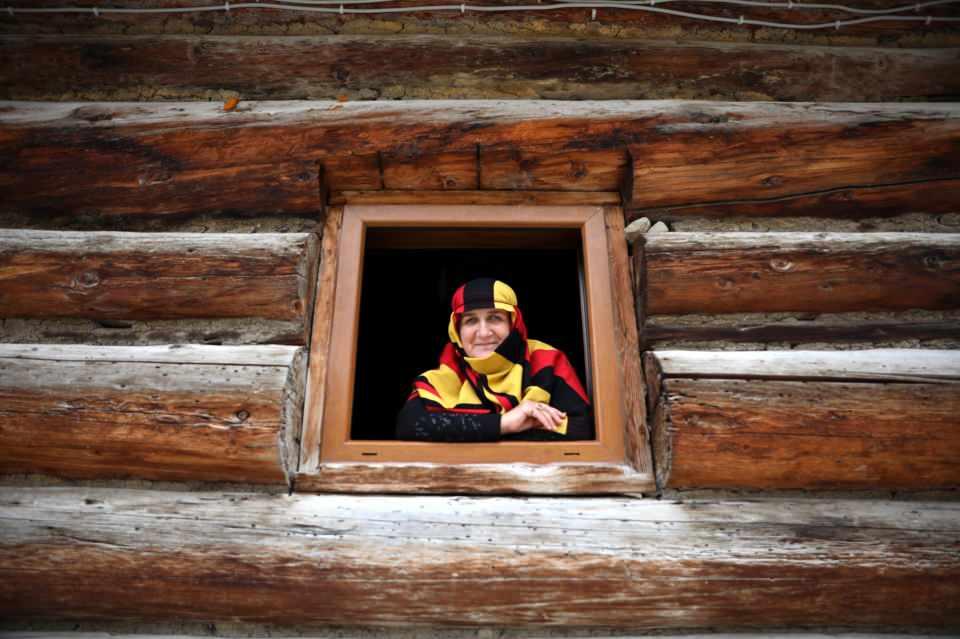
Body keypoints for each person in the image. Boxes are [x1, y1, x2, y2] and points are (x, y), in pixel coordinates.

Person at [395, 277, 594, 442]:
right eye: (471, 320)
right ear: (457, 331)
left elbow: (581, 430)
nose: (483, 333)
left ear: (513, 323)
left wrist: (465, 433)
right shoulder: (441, 378)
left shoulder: (545, 361)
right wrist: (506, 423)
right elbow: (410, 426)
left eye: (494, 318)